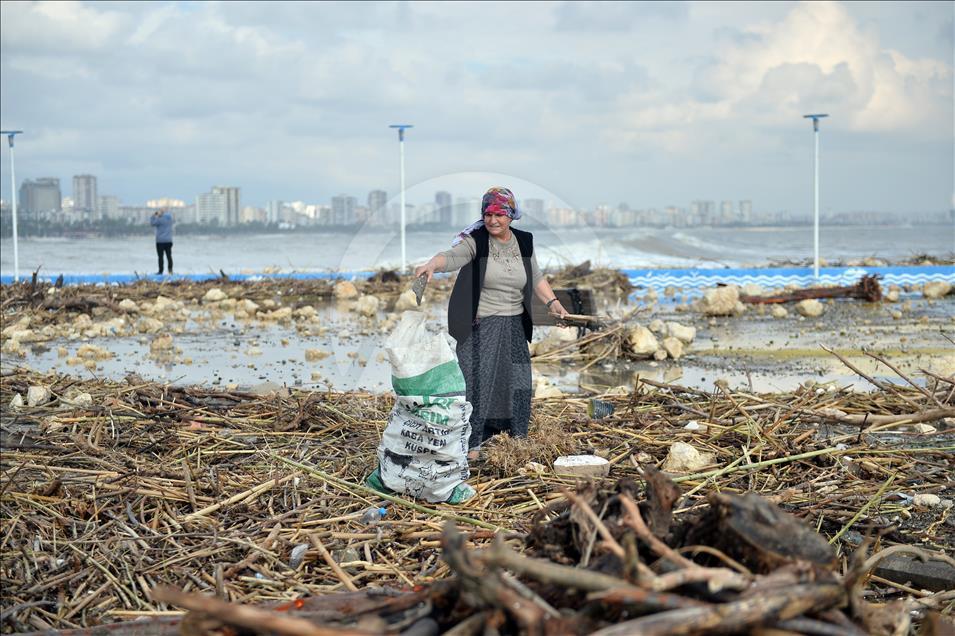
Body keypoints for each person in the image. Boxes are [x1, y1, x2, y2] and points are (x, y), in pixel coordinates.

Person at [415, 187, 568, 461]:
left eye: (499, 213)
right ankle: (471, 445)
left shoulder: (524, 241)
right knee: (477, 384)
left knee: (517, 383)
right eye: (487, 214)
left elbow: (535, 275)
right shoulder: (477, 241)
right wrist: (431, 265)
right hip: (480, 325)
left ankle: (513, 439)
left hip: (514, 324)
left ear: (511, 215)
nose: (493, 220)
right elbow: (452, 256)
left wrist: (552, 303)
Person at [150, 209, 174, 275]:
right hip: (169, 241)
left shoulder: (159, 220)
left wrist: (154, 215)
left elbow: (152, 223)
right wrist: (163, 213)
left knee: (160, 257)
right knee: (169, 256)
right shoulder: (169, 219)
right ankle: (170, 270)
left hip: (160, 241)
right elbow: (170, 215)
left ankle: (160, 271)